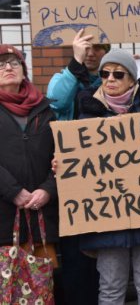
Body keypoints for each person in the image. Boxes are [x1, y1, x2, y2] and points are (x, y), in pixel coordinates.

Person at [75, 49, 140, 304]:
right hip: (106, 219)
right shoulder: (86, 113)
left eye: (118, 74)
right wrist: (66, 164)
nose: (110, 79)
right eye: (104, 73)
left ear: (132, 79)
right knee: (110, 287)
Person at [46, 28, 106, 305]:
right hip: (76, 185)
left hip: (112, 184)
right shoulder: (65, 77)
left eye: (97, 47)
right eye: (86, 47)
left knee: (107, 263)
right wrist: (75, 64)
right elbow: (56, 101)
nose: (91, 53)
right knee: (76, 260)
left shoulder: (115, 77)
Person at [0, 45, 58, 291]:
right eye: (1, 63)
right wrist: (13, 191)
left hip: (42, 217)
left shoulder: (46, 109)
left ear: (24, 70)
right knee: (8, 288)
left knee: (42, 289)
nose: (8, 67)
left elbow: (64, 158)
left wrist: (47, 190)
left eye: (14, 62)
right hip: (4, 218)